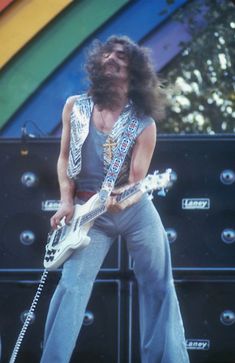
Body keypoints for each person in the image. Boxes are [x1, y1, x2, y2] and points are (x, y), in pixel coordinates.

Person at [40, 35, 190, 363]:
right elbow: (64, 158)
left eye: (121, 56)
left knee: (159, 284)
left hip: (132, 209)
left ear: (133, 72)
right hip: (88, 212)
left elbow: (137, 183)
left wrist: (126, 198)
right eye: (107, 52)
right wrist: (66, 201)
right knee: (71, 287)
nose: (111, 57)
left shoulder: (143, 124)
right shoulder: (74, 107)